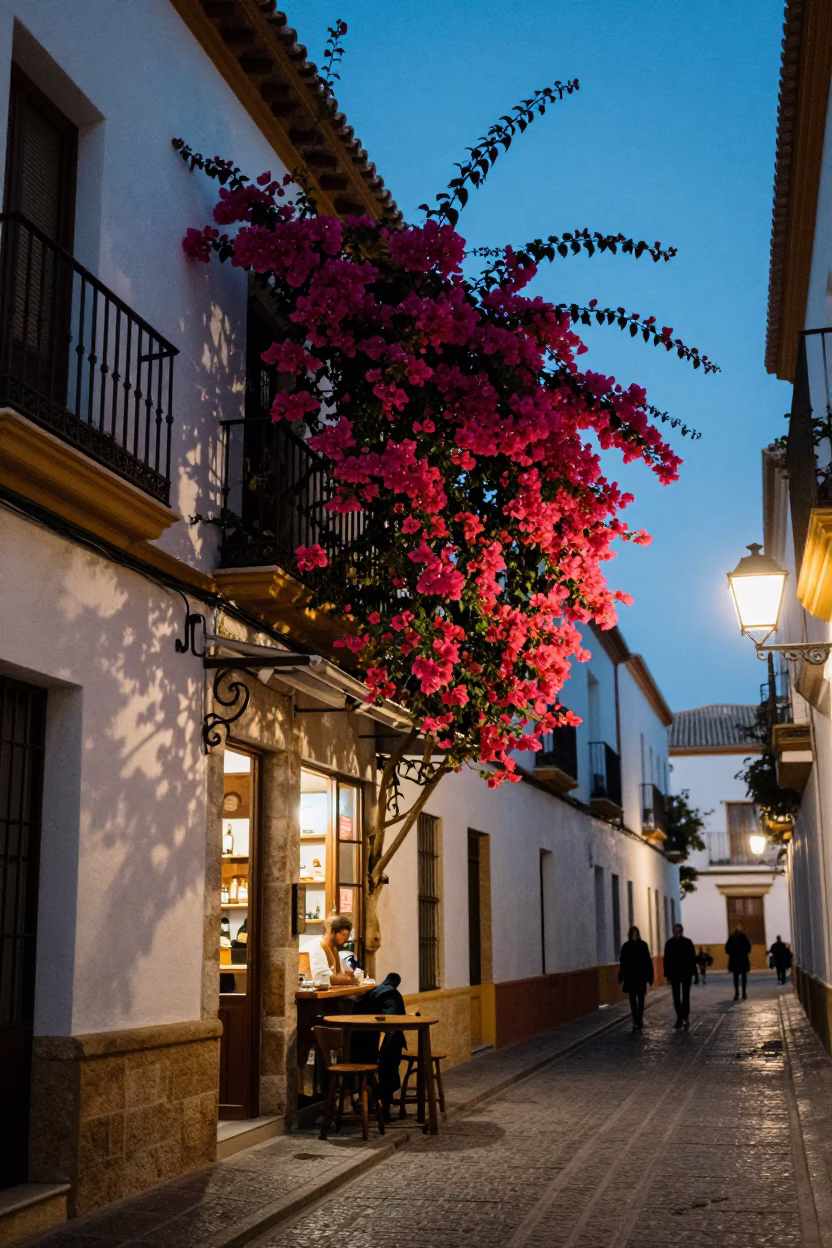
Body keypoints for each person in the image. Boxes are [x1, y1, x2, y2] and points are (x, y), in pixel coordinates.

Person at [618, 925, 654, 1030]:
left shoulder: (643, 945)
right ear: (630, 935)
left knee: (641, 999)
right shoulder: (626, 946)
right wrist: (621, 975)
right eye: (632, 934)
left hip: (641, 976)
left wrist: (650, 976)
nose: (634, 935)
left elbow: (648, 962)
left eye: (635, 933)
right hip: (630, 976)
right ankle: (635, 1019)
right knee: (632, 999)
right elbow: (622, 962)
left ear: (638, 934)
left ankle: (639, 1019)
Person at [664, 922, 697, 1030]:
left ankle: (685, 1016)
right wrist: (667, 974)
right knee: (676, 997)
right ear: (674, 932)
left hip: (686, 972)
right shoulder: (669, 943)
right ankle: (679, 1017)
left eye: (679, 931)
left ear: (681, 931)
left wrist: (694, 972)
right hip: (675, 973)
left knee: (686, 996)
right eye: (676, 931)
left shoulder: (688, 942)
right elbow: (667, 960)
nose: (677, 933)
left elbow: (693, 958)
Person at [308, 914, 357, 985]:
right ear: (332, 932)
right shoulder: (317, 947)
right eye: (343, 935)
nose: (345, 940)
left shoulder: (335, 950)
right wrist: (347, 979)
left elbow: (339, 975)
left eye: (347, 937)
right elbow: (321, 978)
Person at [725, 925, 752, 1000]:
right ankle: (744, 993)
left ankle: (736, 993)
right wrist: (744, 953)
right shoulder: (744, 938)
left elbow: (727, 949)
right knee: (744, 977)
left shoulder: (731, 938)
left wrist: (732, 953)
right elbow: (749, 948)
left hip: (734, 960)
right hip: (743, 959)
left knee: (735, 977)